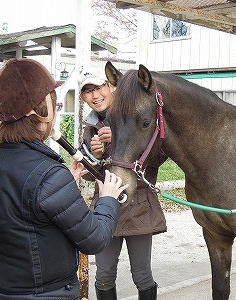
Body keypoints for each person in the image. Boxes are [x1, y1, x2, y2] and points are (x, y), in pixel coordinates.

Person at [0, 58, 128, 300]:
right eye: (55, 105)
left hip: (4, 291)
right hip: (49, 293)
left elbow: (28, 215)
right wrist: (108, 199)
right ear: (42, 111)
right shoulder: (49, 176)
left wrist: (66, 184)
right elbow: (95, 239)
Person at [78, 70, 167, 300]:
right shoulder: (90, 128)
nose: (95, 95)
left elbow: (158, 157)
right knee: (104, 274)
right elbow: (89, 174)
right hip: (106, 208)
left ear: (110, 87)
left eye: (99, 87)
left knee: (142, 275)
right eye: (88, 91)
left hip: (138, 207)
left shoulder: (134, 114)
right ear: (83, 98)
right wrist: (96, 158)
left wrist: (117, 138)